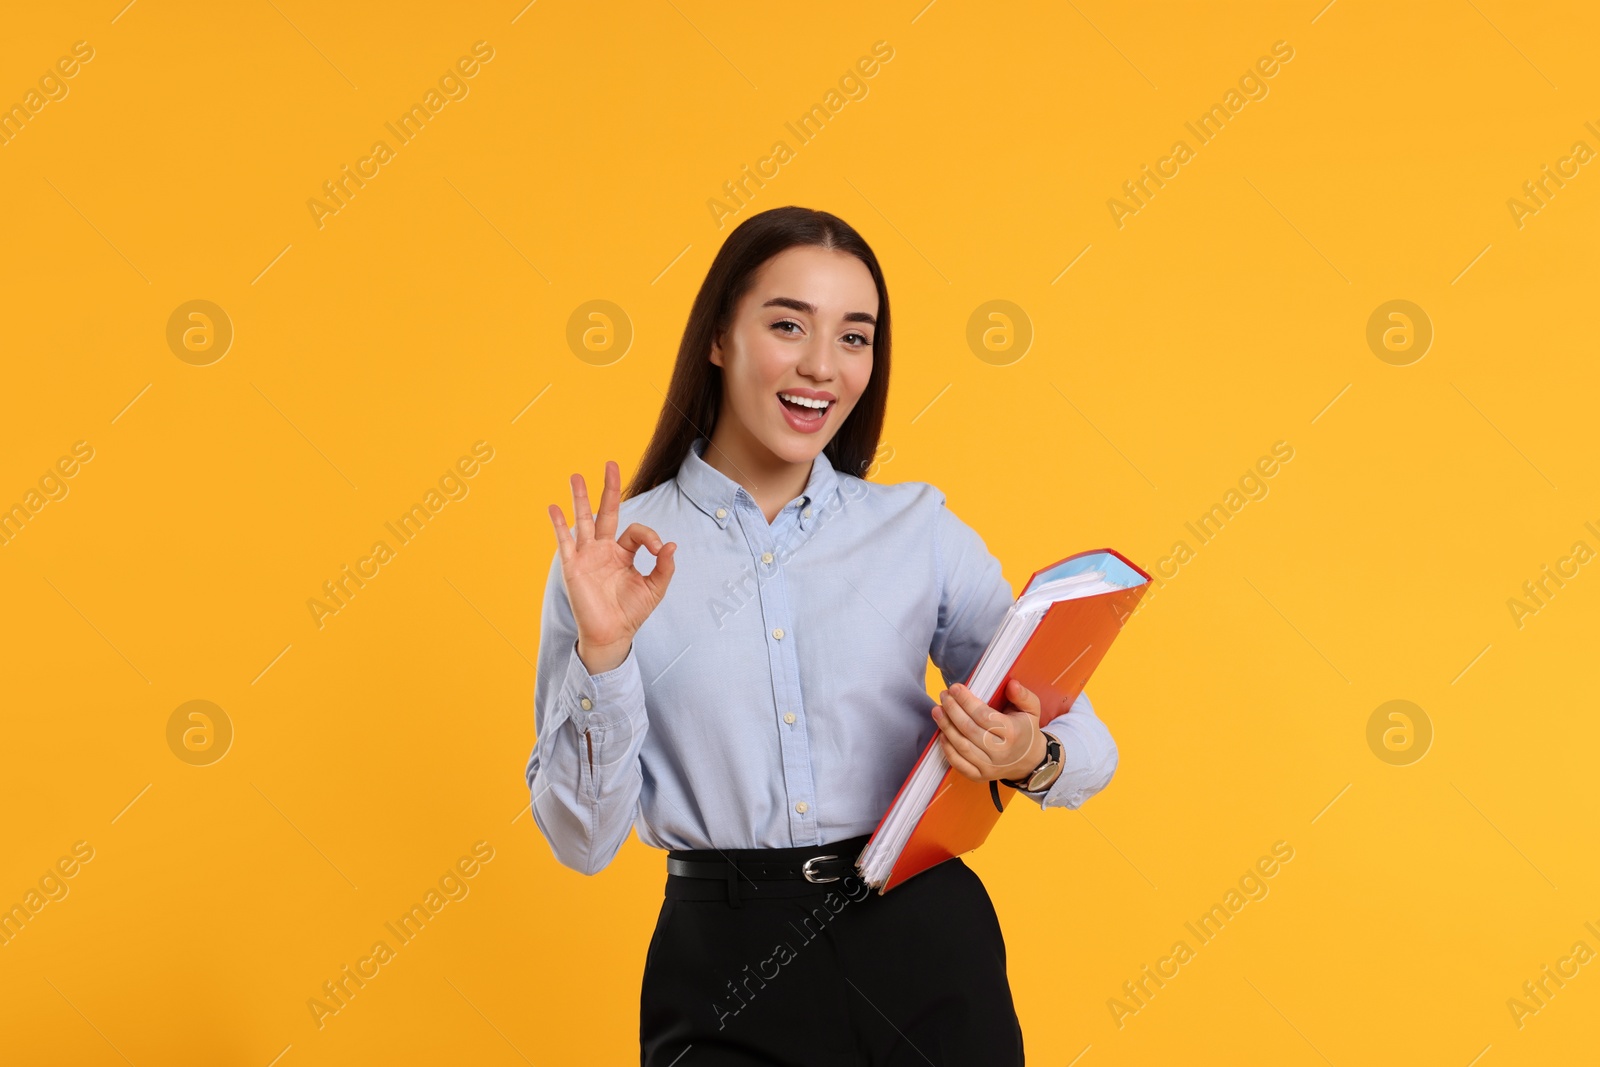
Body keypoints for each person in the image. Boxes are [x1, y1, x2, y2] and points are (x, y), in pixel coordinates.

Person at [525, 205, 1119, 1065]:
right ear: (720, 336)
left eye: (855, 336)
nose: (821, 366)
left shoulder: (918, 528)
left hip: (922, 939)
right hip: (722, 967)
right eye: (788, 324)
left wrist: (1029, 753)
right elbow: (581, 842)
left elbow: (1089, 750)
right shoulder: (610, 564)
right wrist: (604, 656)